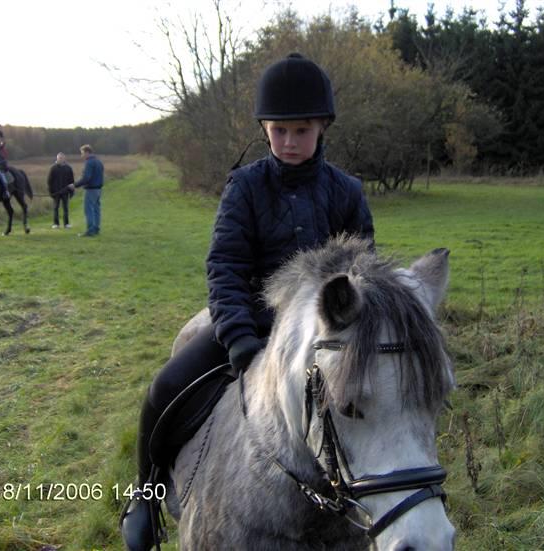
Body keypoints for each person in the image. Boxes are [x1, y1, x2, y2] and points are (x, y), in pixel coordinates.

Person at [119, 53, 375, 550]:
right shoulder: (245, 187)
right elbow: (226, 268)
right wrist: (239, 339)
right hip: (250, 332)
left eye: (301, 130)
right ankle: (146, 494)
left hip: (322, 340)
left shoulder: (346, 192)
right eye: (279, 130)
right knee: (164, 388)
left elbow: (361, 277)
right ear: (265, 129)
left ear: (322, 126)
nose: (289, 142)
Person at [67, 144, 104, 236]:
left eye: (82, 153)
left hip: (91, 190)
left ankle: (90, 231)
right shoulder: (98, 162)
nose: (81, 156)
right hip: (98, 189)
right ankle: (96, 229)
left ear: (87, 152)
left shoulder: (89, 162)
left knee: (88, 210)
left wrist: (74, 185)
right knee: (96, 209)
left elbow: (86, 178)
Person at [47, 152, 75, 228]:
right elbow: (49, 181)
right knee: (56, 208)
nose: (60, 159)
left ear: (64, 159)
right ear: (57, 158)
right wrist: (50, 192)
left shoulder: (68, 168)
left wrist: (72, 192)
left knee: (65, 208)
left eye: (62, 158)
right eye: (59, 158)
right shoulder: (53, 168)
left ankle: (66, 224)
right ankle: (56, 224)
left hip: (65, 192)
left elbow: (71, 181)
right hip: (56, 192)